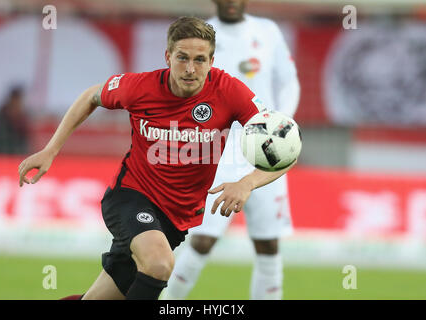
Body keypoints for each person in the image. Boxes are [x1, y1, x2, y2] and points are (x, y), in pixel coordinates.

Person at [18, 16, 296, 300]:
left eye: (200, 60)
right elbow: (92, 96)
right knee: (159, 264)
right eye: (182, 58)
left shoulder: (230, 91)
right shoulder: (140, 87)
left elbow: (285, 148)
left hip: (175, 219)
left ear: (212, 61)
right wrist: (51, 149)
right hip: (131, 196)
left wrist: (248, 183)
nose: (190, 69)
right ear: (168, 57)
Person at [162, 0, 300, 300]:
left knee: (268, 245)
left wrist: (282, 124)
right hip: (218, 151)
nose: (232, 2)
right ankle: (168, 302)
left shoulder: (267, 31)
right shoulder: (202, 37)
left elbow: (289, 82)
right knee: (202, 240)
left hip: (268, 149)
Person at [0, 86, 31, 154]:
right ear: (11, 100)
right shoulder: (1, 118)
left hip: (17, 157)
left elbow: (26, 144)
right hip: (0, 156)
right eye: (16, 101)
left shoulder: (23, 119)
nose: (18, 104)